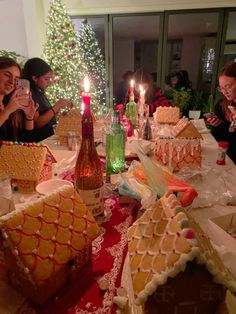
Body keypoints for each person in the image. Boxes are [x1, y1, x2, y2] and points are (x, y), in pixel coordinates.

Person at [22, 57, 72, 142]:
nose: (49, 82)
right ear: (34, 78)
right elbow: (37, 123)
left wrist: (58, 111)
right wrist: (58, 105)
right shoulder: (30, 94)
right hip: (40, 141)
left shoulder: (39, 91)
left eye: (49, 78)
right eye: (46, 78)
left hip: (49, 137)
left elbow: (47, 116)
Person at [205, 61, 236, 164]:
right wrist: (216, 123)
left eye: (228, 86)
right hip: (225, 157)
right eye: (221, 88)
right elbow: (220, 136)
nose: (224, 92)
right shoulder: (221, 105)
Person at [0, 56, 37, 142]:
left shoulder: (9, 103)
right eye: (7, 75)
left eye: (16, 79)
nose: (12, 81)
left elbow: (27, 141)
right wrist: (7, 111)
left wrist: (29, 117)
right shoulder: (10, 107)